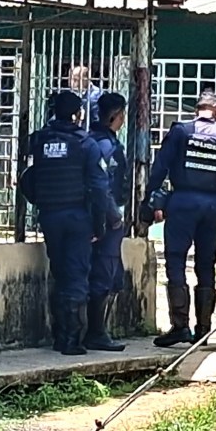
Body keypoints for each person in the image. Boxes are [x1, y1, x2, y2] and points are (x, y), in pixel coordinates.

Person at [147, 91, 216, 347]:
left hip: (182, 202)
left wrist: (149, 196)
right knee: (206, 264)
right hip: (212, 205)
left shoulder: (181, 131)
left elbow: (160, 166)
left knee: (176, 260)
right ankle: (203, 328)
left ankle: (180, 325)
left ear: (196, 111)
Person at [20, 90, 108, 356]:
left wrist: (39, 199)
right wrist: (99, 223)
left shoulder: (40, 139)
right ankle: (71, 340)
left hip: (49, 215)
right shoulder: (85, 143)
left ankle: (61, 334)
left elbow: (27, 176)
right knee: (76, 275)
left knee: (59, 272)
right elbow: (99, 187)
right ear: (78, 114)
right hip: (77, 217)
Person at [85, 92, 129, 352]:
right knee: (104, 274)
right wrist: (113, 218)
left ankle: (98, 330)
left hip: (91, 217)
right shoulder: (106, 146)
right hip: (103, 219)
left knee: (112, 276)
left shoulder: (90, 140)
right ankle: (96, 332)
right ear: (116, 116)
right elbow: (103, 187)